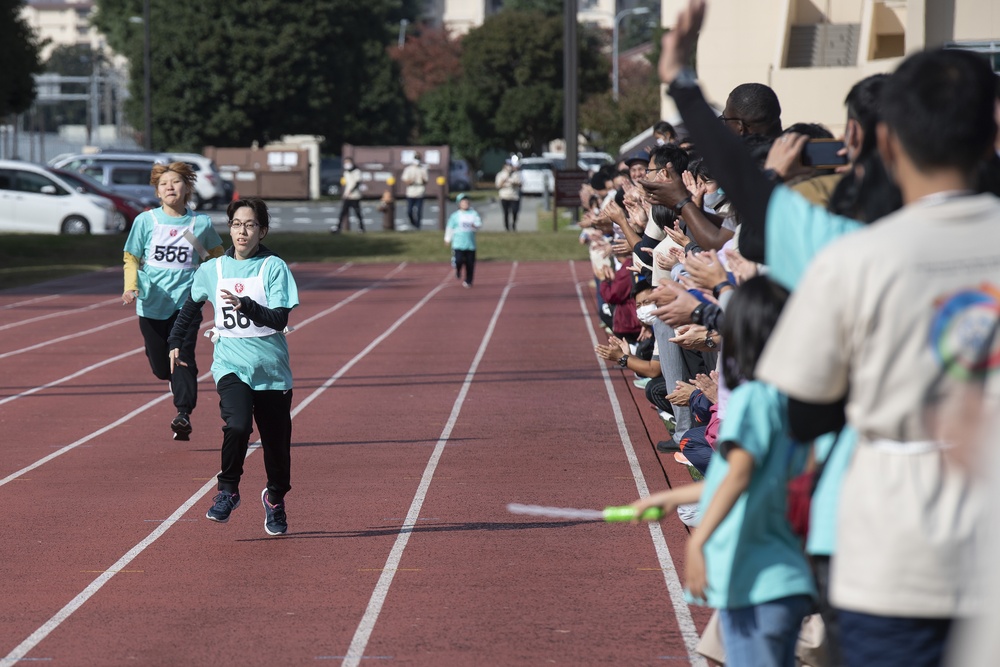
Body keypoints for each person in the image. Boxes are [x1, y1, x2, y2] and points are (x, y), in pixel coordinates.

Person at [632, 276, 816, 667]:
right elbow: (751, 474)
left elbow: (740, 474)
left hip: (757, 570)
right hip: (787, 565)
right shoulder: (798, 396)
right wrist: (671, 497)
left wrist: (698, 543)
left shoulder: (754, 400)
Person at [167, 197, 300, 536]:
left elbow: (278, 318)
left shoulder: (273, 267)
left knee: (276, 444)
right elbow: (191, 308)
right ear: (230, 229)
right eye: (237, 224)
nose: (243, 231)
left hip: (271, 372)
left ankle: (275, 498)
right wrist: (175, 342)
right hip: (231, 366)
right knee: (237, 426)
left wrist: (246, 305)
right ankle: (227, 491)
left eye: (250, 225)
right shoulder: (213, 269)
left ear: (262, 230)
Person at [122, 161, 224, 441]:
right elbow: (131, 257)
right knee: (160, 366)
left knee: (183, 356)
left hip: (186, 304)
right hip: (152, 304)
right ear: (157, 191)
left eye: (176, 182)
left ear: (187, 188)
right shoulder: (146, 221)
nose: (170, 187)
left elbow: (215, 258)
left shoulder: (199, 224)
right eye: (164, 183)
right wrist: (131, 287)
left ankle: (183, 413)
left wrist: (216, 289)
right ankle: (177, 384)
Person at [445, 193, 482, 288]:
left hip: (470, 244)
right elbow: (450, 227)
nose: (465, 203)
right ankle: (458, 270)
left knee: (470, 264)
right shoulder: (455, 216)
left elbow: (478, 223)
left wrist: (475, 226)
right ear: (459, 203)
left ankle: (468, 280)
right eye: (463, 202)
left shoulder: (473, 214)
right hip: (458, 243)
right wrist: (447, 239)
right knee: (458, 260)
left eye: (466, 201)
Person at [334, 157, 364, 233]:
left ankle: (361, 228)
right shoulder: (346, 173)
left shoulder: (357, 172)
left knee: (357, 212)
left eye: (348, 162)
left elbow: (357, 183)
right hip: (347, 195)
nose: (347, 164)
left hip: (355, 196)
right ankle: (338, 227)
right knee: (343, 212)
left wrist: (351, 191)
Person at [401, 151, 429, 230]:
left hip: (420, 190)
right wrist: (410, 181)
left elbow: (426, 181)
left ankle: (418, 226)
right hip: (411, 191)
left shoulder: (423, 169)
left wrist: (423, 179)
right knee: (409, 210)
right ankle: (413, 222)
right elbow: (405, 180)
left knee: (419, 210)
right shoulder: (408, 169)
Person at [495, 158, 522, 231]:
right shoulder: (500, 174)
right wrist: (505, 179)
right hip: (504, 196)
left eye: (510, 165)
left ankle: (513, 224)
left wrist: (514, 183)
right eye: (507, 165)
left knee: (515, 211)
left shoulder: (516, 174)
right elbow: (498, 185)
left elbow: (520, 184)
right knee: (506, 212)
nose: (509, 167)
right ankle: (507, 227)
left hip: (514, 196)